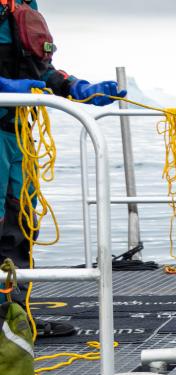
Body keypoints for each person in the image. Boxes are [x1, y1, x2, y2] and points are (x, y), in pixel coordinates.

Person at [0, 0, 126, 338]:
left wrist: (78, 88)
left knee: (19, 226)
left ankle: (12, 319)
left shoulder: (24, 5)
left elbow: (41, 70)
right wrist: (6, 88)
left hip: (18, 137)